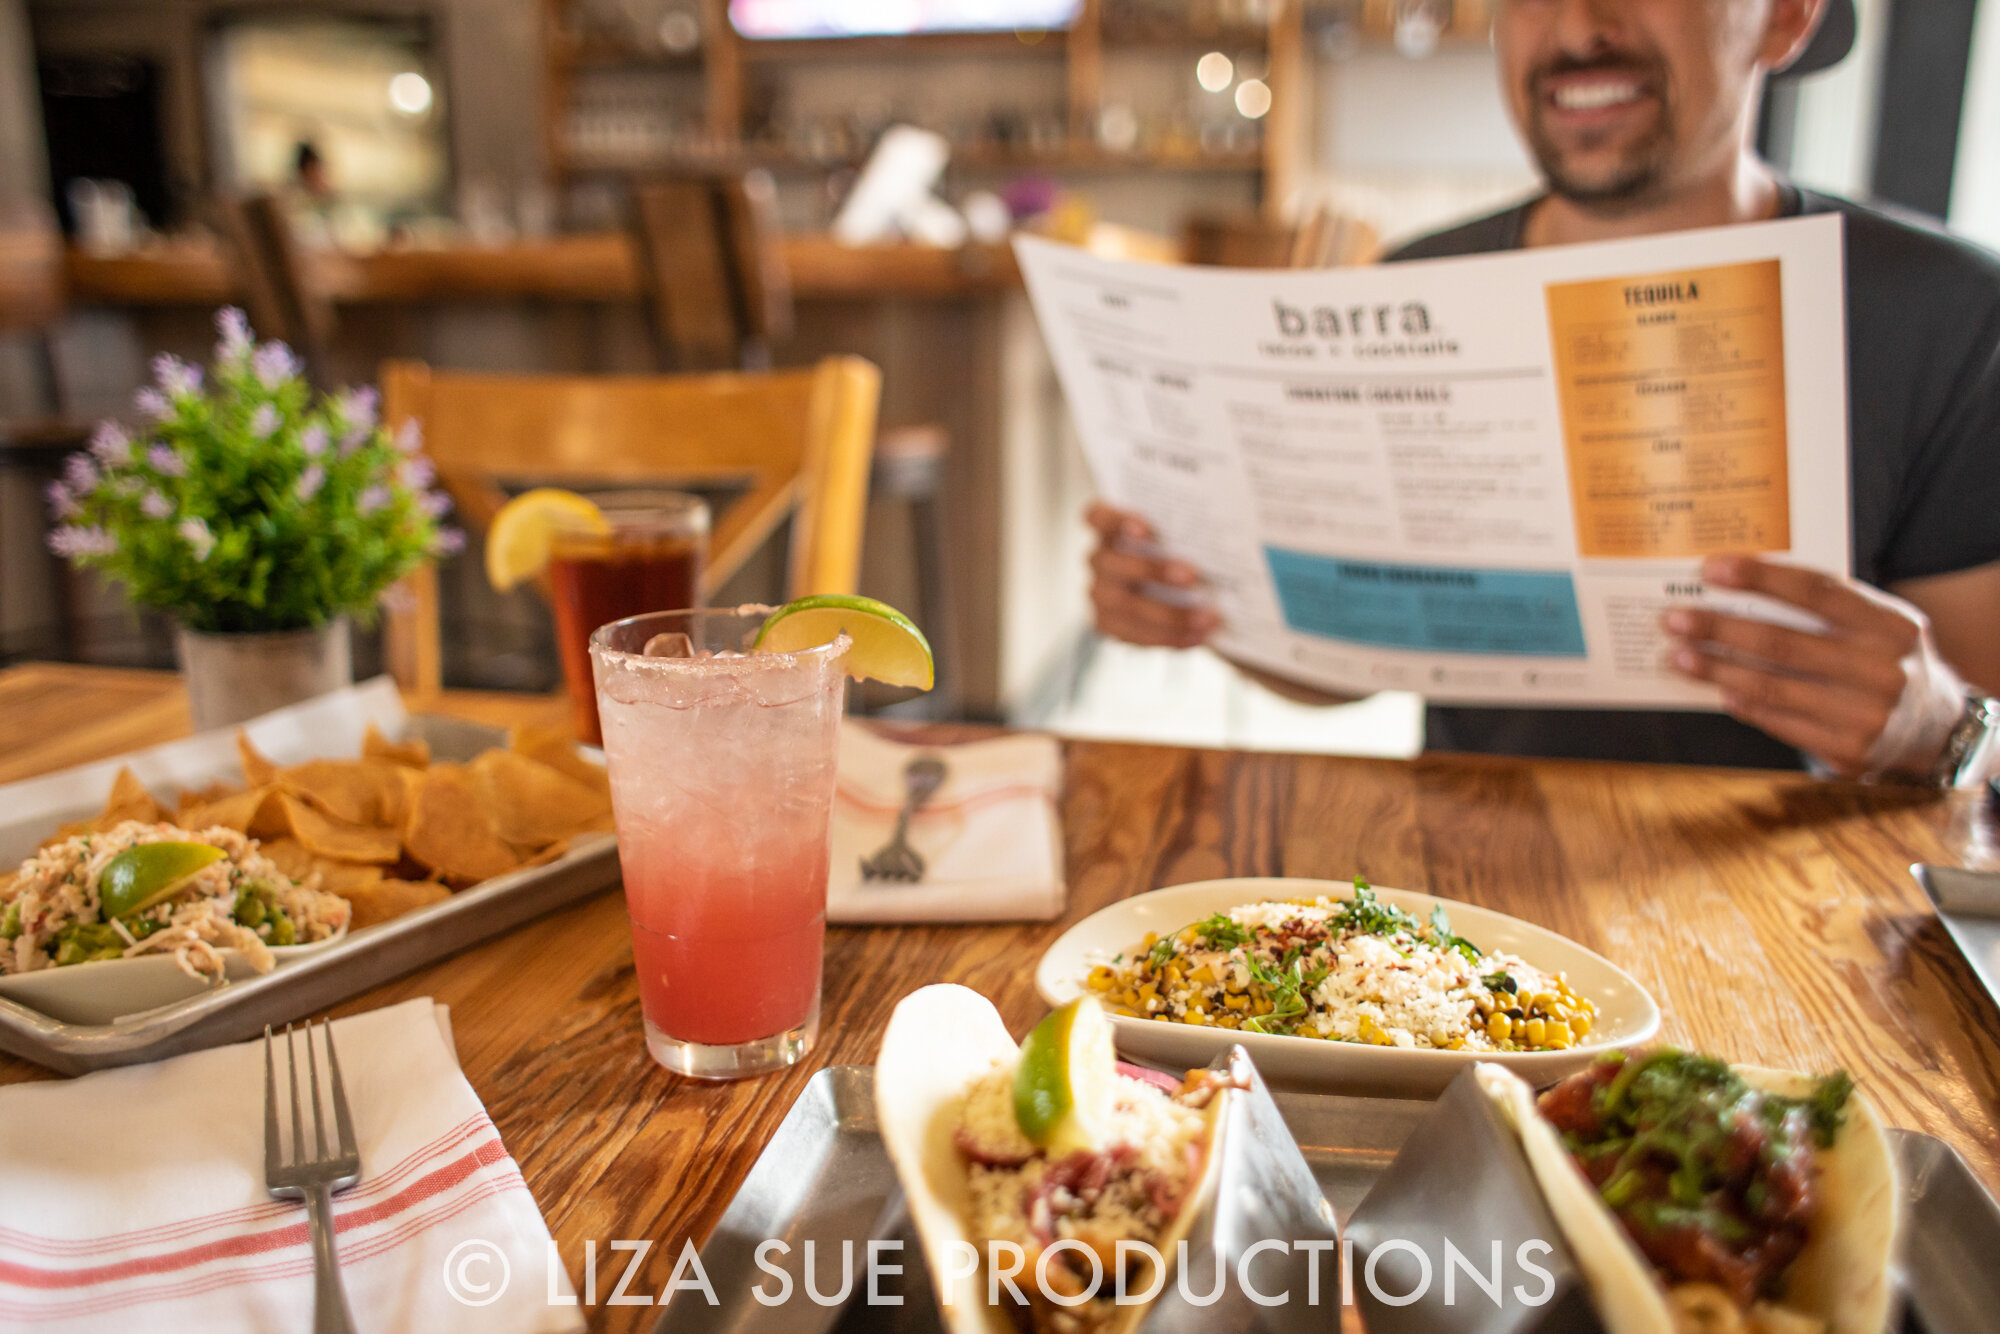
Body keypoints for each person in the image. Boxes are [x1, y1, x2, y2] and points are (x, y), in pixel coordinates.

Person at [1087, 0, 2000, 782]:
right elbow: (1349, 663)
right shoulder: (1414, 284)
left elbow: (1975, 734)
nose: (1576, 28)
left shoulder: (1948, 315)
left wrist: (1939, 724)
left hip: (1797, 920)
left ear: (1786, 15)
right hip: (1464, 902)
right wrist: (1204, 597)